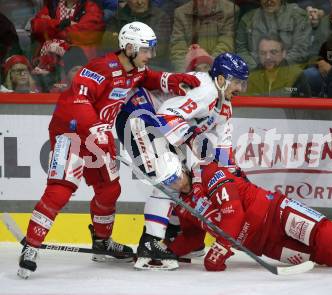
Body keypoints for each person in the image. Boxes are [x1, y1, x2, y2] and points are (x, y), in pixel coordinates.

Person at [17, 21, 200, 279]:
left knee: (110, 188)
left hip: (98, 136)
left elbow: (149, 78)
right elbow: (77, 101)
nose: (150, 55)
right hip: (71, 133)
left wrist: (174, 79)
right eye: (146, 50)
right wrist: (95, 130)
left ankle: (102, 243)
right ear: (129, 47)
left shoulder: (135, 70)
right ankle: (31, 246)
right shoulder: (99, 69)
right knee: (60, 189)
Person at [155, 153, 332, 273]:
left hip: (275, 213)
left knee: (325, 234)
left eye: (175, 176)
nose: (175, 184)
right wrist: (162, 251)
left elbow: (232, 214)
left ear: (182, 167)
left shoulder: (208, 172)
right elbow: (191, 239)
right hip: (265, 244)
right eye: (169, 182)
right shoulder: (182, 205)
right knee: (330, 257)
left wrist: (222, 247)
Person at [115, 52, 249, 270]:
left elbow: (223, 148)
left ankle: (166, 234)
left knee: (184, 179)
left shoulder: (224, 105)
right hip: (138, 115)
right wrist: (194, 137)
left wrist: (234, 174)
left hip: (154, 125)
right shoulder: (206, 91)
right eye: (237, 82)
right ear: (222, 79)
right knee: (174, 179)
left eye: (243, 83)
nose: (240, 88)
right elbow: (167, 115)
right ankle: (150, 243)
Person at [236, 0, 311, 70]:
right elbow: (241, 49)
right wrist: (256, 67)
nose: (269, 1)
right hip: (255, 71)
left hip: (288, 70)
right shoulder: (248, 19)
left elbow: (301, 50)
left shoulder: (298, 16)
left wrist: (278, 66)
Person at [170, 0, 238, 72]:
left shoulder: (230, 10)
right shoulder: (181, 13)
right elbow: (177, 49)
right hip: (190, 70)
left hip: (218, 70)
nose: (204, 3)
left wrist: (210, 69)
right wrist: (185, 75)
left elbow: (226, 44)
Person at [244, 35, 310, 97]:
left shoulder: (297, 75)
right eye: (263, 53)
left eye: (273, 52)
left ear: (283, 53)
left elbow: (305, 106)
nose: (268, 57)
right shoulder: (251, 76)